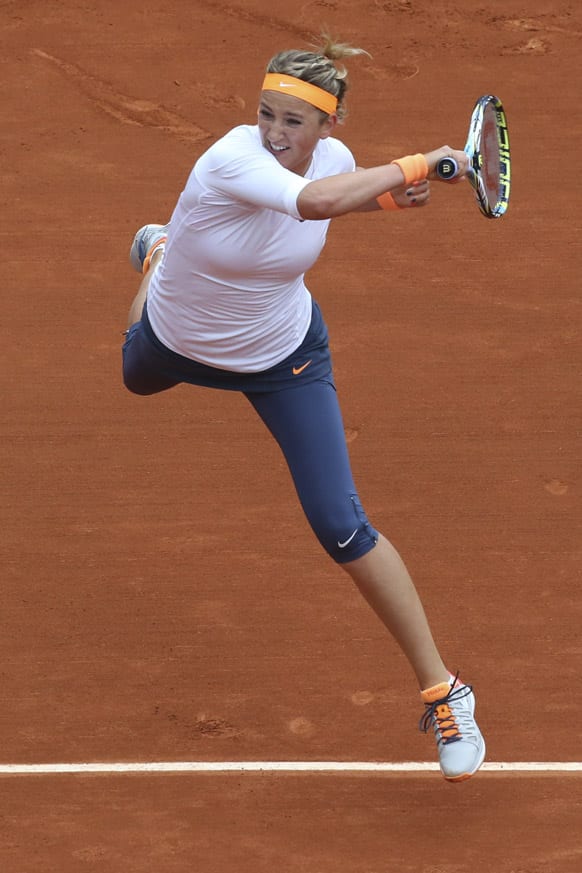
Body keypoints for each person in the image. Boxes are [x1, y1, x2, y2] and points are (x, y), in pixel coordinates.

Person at [122, 35, 485, 782]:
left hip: (285, 356)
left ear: (331, 125)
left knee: (340, 523)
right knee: (133, 371)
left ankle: (446, 691)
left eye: (295, 122)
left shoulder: (337, 165)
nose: (276, 134)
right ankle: (162, 252)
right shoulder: (231, 157)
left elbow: (325, 209)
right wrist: (424, 162)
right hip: (178, 340)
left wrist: (388, 196)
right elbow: (312, 203)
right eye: (267, 115)